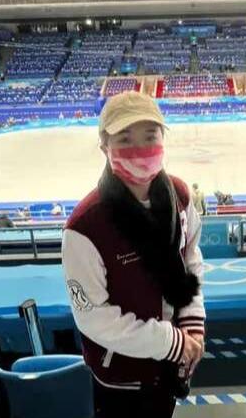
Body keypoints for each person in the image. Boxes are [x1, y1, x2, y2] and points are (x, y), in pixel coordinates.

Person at [62, 91, 205, 418]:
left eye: (150, 136)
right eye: (125, 139)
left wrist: (192, 324)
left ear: (163, 138)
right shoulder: (85, 227)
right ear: (104, 146)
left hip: (169, 369)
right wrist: (172, 342)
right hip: (120, 381)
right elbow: (94, 318)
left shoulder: (180, 196)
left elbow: (190, 260)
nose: (140, 149)